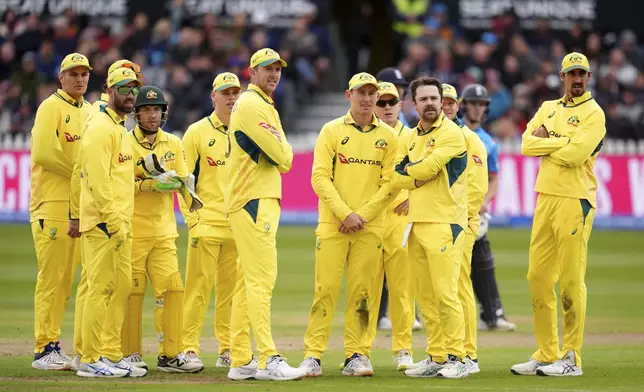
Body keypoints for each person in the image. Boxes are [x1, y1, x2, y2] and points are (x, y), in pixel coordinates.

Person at [298, 72, 398, 378]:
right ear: (348, 95)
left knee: (363, 293)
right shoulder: (331, 131)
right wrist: (345, 214)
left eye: (372, 94)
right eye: (361, 93)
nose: (367, 99)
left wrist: (361, 216)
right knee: (324, 291)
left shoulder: (389, 137)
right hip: (333, 225)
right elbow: (319, 178)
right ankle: (313, 355)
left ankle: (358, 354)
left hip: (369, 228)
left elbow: (390, 184)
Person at [512, 52, 605, 377]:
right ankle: (547, 351)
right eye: (571, 74)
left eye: (582, 74)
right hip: (546, 197)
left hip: (575, 200)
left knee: (569, 280)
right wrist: (562, 142)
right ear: (562, 77)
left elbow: (576, 156)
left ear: (588, 78)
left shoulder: (594, 113)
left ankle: (571, 357)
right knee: (537, 277)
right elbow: (525, 144)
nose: (576, 79)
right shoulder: (548, 108)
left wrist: (550, 139)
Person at [225, 48, 303, 381]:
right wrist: (282, 149)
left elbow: (282, 154)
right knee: (261, 280)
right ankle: (268, 358)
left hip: (255, 199)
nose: (274, 74)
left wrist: (281, 149)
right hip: (253, 199)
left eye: (277, 70)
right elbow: (283, 157)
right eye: (266, 69)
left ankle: (241, 359)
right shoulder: (254, 104)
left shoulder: (261, 104)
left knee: (247, 282)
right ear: (251, 72)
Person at [119, 85, 203, 373]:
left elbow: (182, 179)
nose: (152, 115)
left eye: (156, 110)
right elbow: (119, 186)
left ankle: (171, 354)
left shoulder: (173, 143)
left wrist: (183, 187)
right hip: (133, 231)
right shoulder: (125, 143)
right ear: (137, 113)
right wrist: (148, 184)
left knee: (173, 291)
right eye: (146, 110)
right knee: (132, 293)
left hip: (164, 232)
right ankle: (129, 354)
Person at [392, 76, 469, 379]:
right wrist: (415, 173)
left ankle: (459, 357)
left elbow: (428, 168)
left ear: (442, 101)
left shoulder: (451, 133)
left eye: (434, 98)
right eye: (423, 99)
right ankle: (437, 356)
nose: (430, 104)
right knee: (425, 296)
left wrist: (411, 170)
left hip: (445, 222)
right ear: (413, 104)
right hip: (416, 224)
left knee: (446, 294)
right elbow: (394, 176)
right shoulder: (409, 137)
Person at [69, 58, 143, 370]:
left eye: (134, 89)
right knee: (100, 288)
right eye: (124, 88)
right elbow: (96, 181)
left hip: (118, 222)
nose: (130, 94)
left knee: (120, 286)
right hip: (104, 223)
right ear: (109, 90)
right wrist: (112, 221)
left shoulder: (117, 127)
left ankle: (101, 353)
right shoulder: (101, 128)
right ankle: (89, 359)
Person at [30, 53, 92, 371]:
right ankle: (44, 349)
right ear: (61, 78)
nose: (80, 79)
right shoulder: (51, 107)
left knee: (67, 279)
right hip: (52, 204)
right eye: (74, 74)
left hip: (79, 207)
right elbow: (43, 152)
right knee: (52, 278)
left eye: (84, 74)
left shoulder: (92, 112)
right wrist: (81, 173)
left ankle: (55, 345)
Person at [180, 72, 242, 369]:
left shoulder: (246, 131)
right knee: (197, 291)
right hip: (206, 225)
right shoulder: (197, 132)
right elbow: (184, 180)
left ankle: (227, 348)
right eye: (225, 93)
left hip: (237, 227)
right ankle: (189, 348)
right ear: (213, 97)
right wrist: (193, 220)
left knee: (229, 294)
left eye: (235, 93)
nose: (231, 98)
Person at [363, 81, 415, 371]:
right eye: (380, 103)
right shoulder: (366, 135)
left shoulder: (411, 136)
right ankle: (362, 349)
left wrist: (411, 198)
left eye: (390, 103)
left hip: (399, 221)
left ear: (400, 104)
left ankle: (403, 348)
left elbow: (427, 172)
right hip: (371, 220)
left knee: (402, 290)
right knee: (368, 288)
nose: (385, 108)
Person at [437, 83, 489, 374]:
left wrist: (458, 219)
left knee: (459, 285)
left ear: (457, 106)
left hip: (460, 223)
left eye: (449, 102)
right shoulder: (434, 137)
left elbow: (477, 189)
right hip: (438, 222)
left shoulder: (471, 140)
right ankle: (445, 352)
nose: (445, 107)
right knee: (442, 289)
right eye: (440, 101)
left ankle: (468, 354)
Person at [460, 83, 517, 332]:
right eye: (473, 103)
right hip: (448, 207)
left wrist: (485, 202)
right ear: (464, 105)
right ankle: (491, 314)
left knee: (482, 259)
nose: (477, 108)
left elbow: (493, 178)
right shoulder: (452, 133)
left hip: (473, 210)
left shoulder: (488, 143)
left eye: (481, 104)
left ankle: (492, 314)